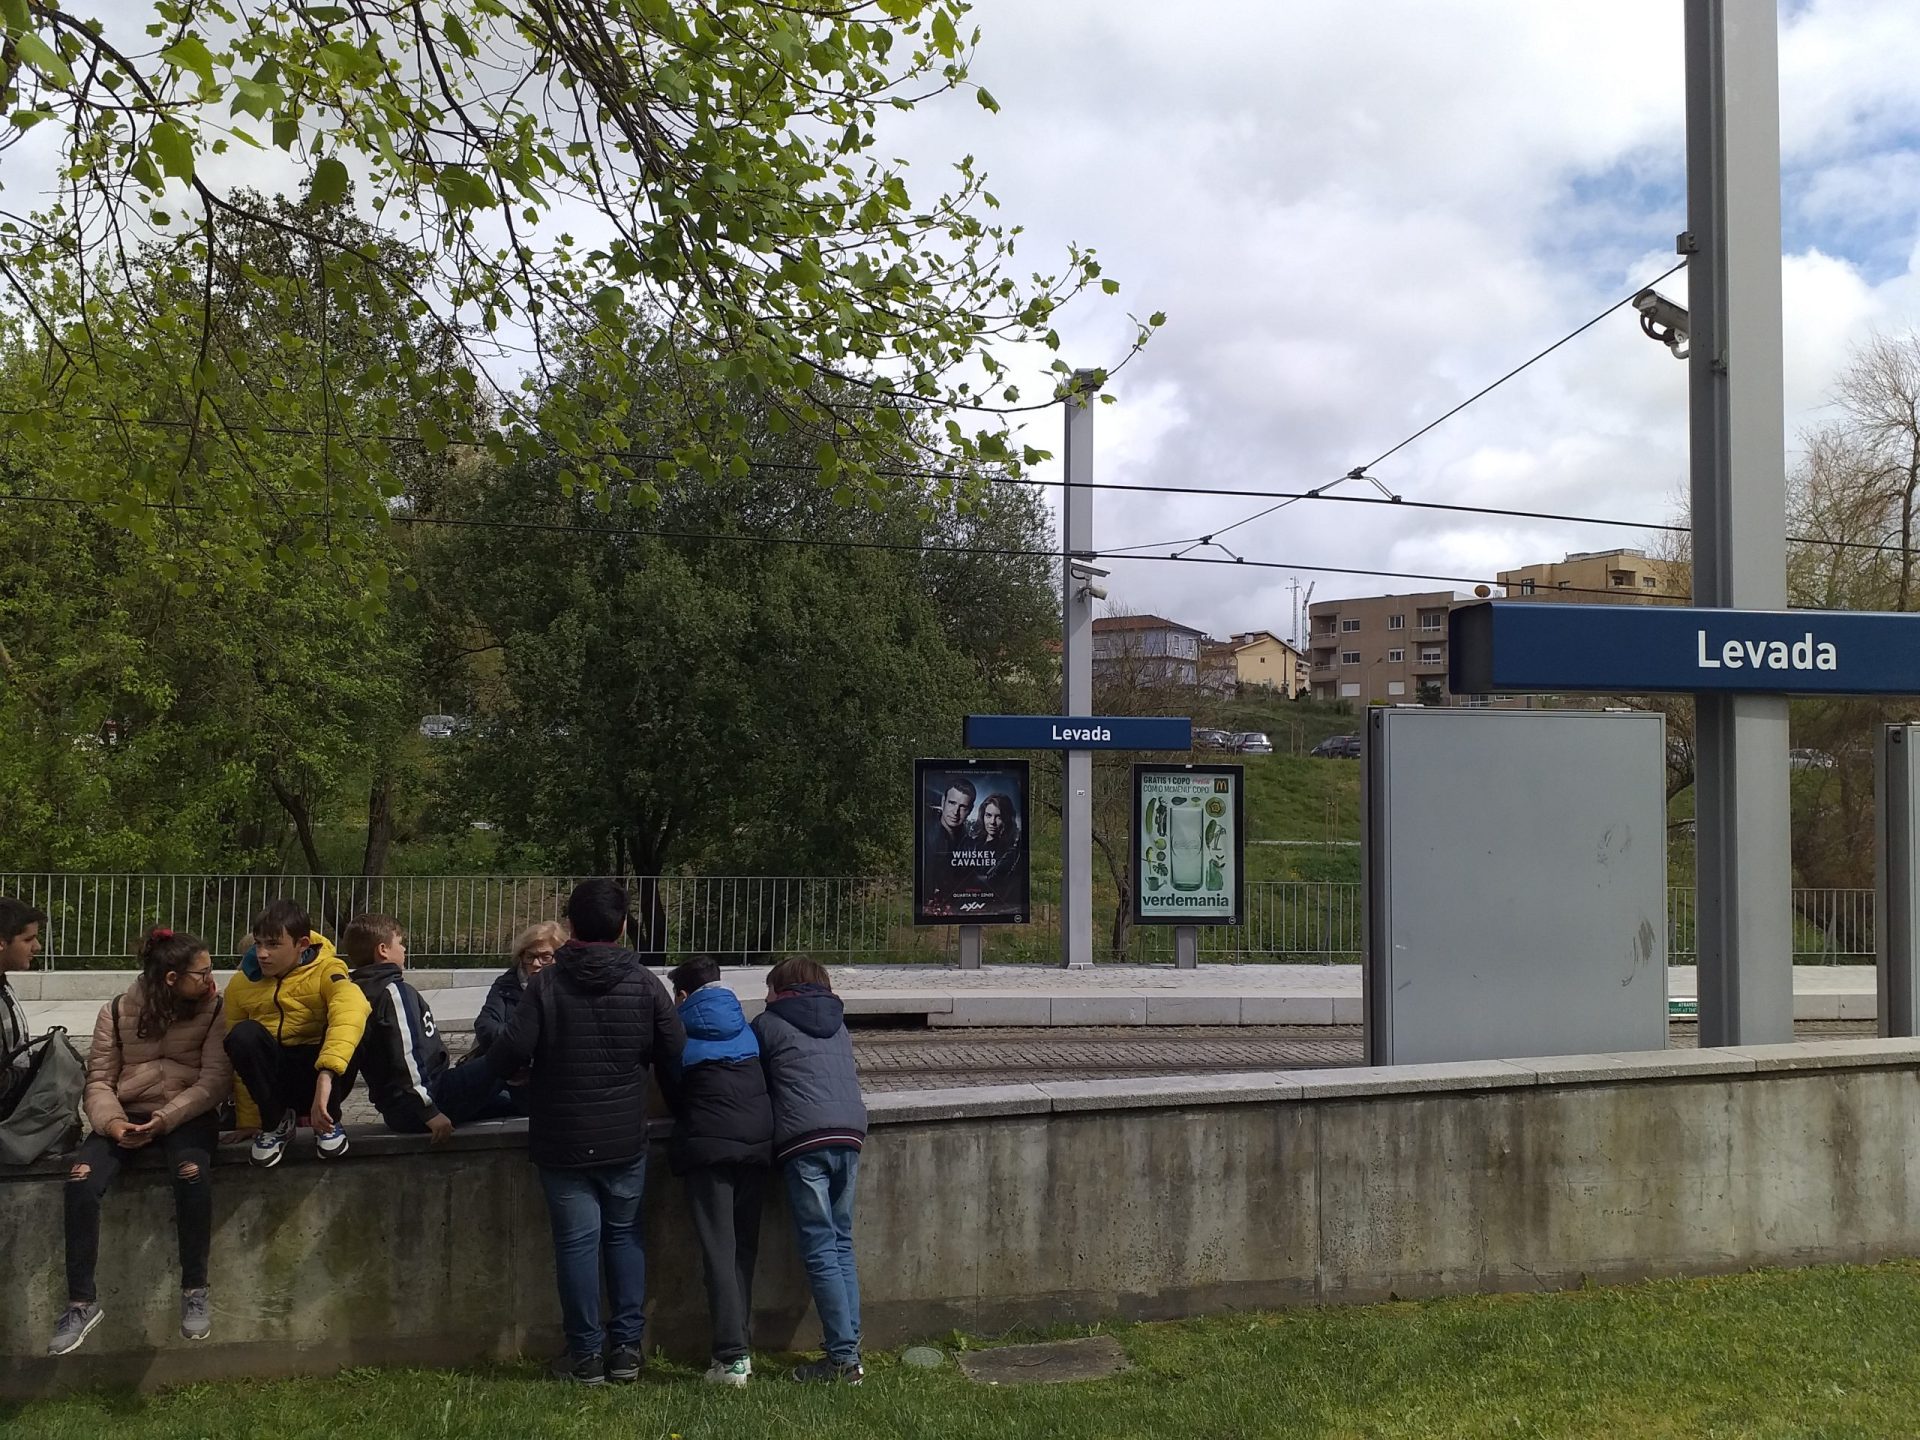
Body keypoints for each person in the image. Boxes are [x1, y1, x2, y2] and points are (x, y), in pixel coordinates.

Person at [487, 878, 685, 1386]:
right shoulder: (644, 982)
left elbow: (507, 1052)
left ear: (571, 926)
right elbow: (674, 1047)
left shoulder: (546, 985)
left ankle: (585, 1356)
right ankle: (626, 1352)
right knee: (624, 1237)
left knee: (577, 1244)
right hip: (623, 1134)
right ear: (622, 927)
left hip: (562, 1136)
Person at [49, 929, 230, 1356]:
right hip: (125, 1117)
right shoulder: (115, 1010)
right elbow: (99, 1082)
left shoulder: (215, 1009)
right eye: (201, 972)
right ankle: (80, 1303)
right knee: (81, 1178)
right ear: (171, 978)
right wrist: (113, 1125)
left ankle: (194, 1289)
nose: (210, 979)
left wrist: (166, 1119)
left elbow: (214, 1080)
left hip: (186, 1114)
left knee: (191, 1173)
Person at [753, 956, 867, 1384]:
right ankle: (850, 1350)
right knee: (841, 1243)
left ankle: (842, 1360)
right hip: (850, 1133)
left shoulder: (768, 1024)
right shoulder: (839, 1023)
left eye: (767, 989)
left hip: (805, 1140)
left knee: (820, 1247)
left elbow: (756, 1083)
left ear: (780, 989)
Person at [661, 956, 773, 1388]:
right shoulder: (747, 1026)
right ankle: (742, 1348)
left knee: (718, 1252)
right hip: (760, 1142)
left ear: (683, 995)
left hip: (709, 1146)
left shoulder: (678, 1032)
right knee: (743, 1250)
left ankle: (731, 1358)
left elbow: (674, 1094)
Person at [222, 899, 370, 1169]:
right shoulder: (239, 985)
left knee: (351, 1020)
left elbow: (353, 1007)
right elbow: (240, 1060)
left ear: (301, 944)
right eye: (259, 943)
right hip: (276, 1084)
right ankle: (276, 1125)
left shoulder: (328, 969)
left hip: (321, 1078)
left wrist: (325, 1076)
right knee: (242, 1035)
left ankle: (328, 1122)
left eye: (273, 944)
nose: (263, 954)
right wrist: (249, 1121)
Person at [340, 914, 516, 1139]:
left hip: (400, 1109)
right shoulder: (393, 992)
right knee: (508, 1053)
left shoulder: (359, 992)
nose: (404, 949)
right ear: (383, 950)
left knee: (508, 1103)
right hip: (428, 1099)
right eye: (400, 942)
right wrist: (429, 1112)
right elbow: (408, 1055)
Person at [473, 921, 563, 1058]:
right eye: (530, 956)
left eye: (545, 957)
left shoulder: (568, 987)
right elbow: (485, 1025)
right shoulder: (507, 984)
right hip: (507, 1062)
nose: (536, 964)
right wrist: (520, 1040)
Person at [0, 897, 47, 1104]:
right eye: (28, 940)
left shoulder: (3, 984)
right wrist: (37, 1075)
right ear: (1, 942)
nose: (37, 946)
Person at [922, 776, 978, 912]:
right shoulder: (926, 835)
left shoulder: (970, 843)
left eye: (963, 807)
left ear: (970, 810)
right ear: (943, 802)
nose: (956, 812)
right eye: (952, 803)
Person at [977, 792, 1026, 906]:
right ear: (982, 816)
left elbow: (995, 882)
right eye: (988, 815)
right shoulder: (972, 842)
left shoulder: (1010, 851)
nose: (992, 822)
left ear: (1007, 819)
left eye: (999, 817)